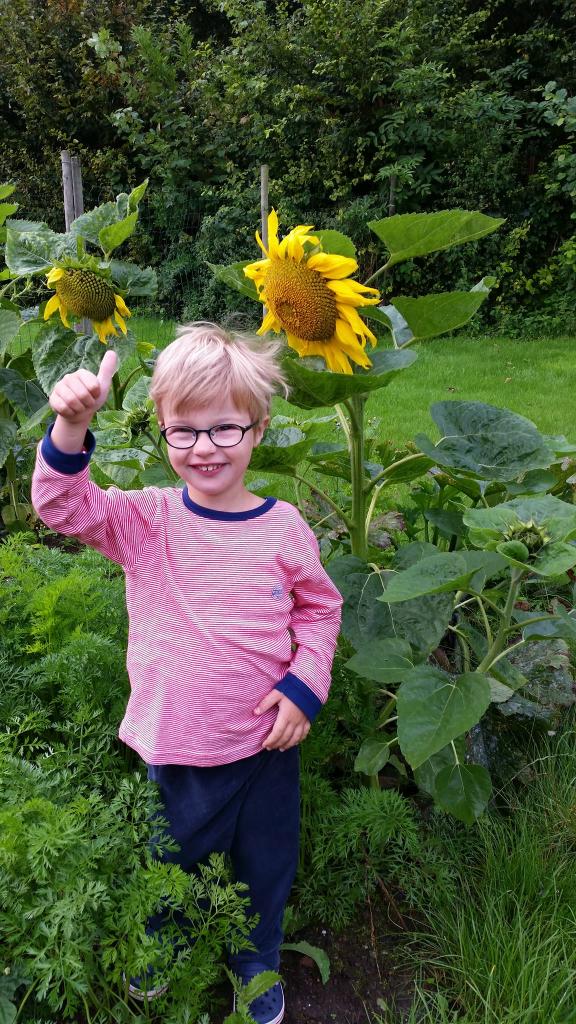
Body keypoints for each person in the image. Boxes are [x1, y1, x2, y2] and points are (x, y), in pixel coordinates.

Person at [31, 321, 343, 1024]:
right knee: (172, 864)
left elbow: (321, 611)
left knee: (264, 869)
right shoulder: (147, 522)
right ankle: (164, 946)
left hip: (270, 747)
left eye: (225, 429)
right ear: (165, 433)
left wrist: (304, 687)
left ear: (258, 430)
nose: (204, 448)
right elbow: (61, 508)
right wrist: (71, 427)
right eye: (185, 432)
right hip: (181, 747)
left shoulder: (286, 527)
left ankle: (255, 960)